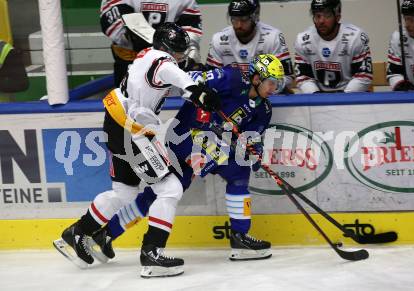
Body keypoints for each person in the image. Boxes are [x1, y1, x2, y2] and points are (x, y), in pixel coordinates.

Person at [83, 54, 285, 277]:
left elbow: (252, 137)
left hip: (204, 144)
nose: (274, 89)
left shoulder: (263, 110)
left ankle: (106, 235)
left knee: (161, 193)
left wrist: (253, 151)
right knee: (237, 172)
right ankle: (240, 237)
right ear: (256, 78)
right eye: (271, 82)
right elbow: (192, 79)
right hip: (186, 135)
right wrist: (204, 97)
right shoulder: (232, 78)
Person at [53, 23, 221, 278]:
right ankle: (152, 252)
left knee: (124, 191)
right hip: (132, 129)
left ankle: (78, 231)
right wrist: (205, 95)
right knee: (170, 188)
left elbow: (172, 74)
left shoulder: (146, 54)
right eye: (179, 51)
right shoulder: (165, 64)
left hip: (116, 121)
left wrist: (193, 76)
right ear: (169, 49)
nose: (181, 56)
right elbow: (187, 86)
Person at [100, 0, 203, 87]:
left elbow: (190, 32)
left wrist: (189, 54)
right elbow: (115, 25)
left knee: (164, 101)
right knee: (126, 101)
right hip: (131, 58)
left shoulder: (185, 2)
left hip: (168, 60)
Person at [206, 0, 294, 94]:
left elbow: (287, 77)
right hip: (231, 98)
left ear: (255, 17)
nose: (239, 25)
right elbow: (209, 79)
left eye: (244, 19)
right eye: (235, 19)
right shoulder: (219, 40)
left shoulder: (272, 37)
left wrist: (263, 88)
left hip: (267, 97)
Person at [294, 0, 373, 93]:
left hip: (350, 96)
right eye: (317, 16)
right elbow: (303, 77)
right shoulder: (303, 40)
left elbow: (363, 76)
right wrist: (317, 98)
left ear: (337, 16)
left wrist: (342, 100)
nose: (321, 21)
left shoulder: (355, 37)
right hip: (318, 97)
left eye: (327, 15)